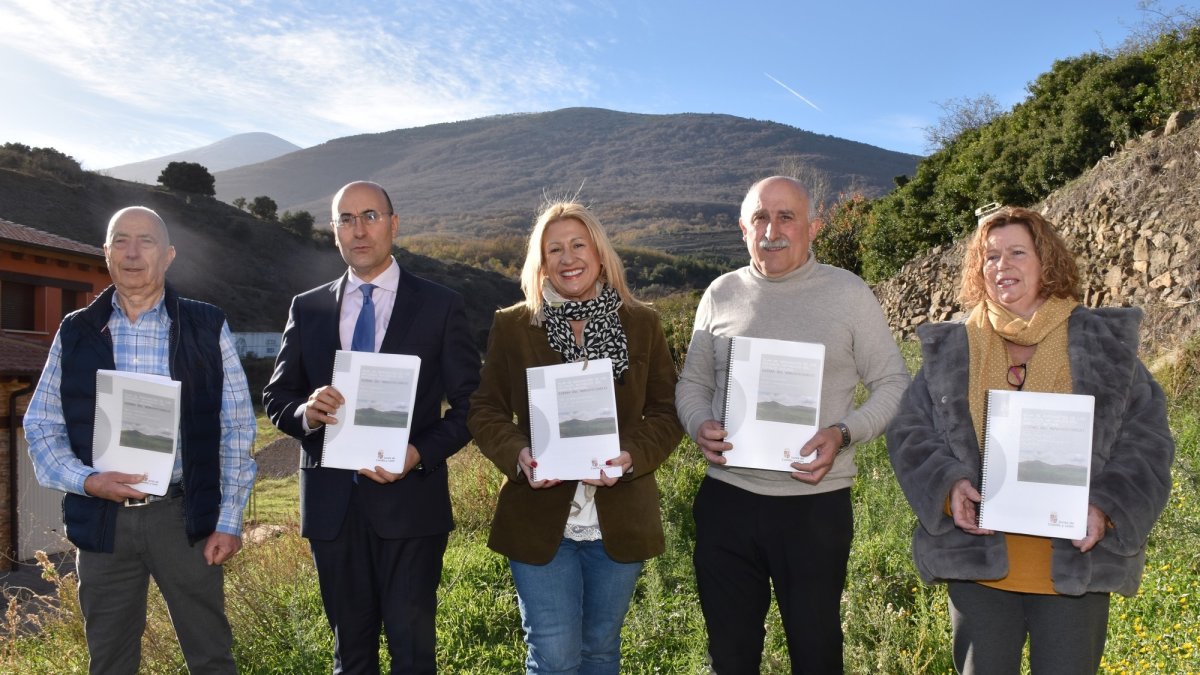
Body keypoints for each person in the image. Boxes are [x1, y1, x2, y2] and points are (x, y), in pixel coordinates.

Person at [886, 206, 1174, 674]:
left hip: (1072, 569)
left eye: (1017, 252)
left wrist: (1104, 507)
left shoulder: (1103, 344)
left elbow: (1148, 441)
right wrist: (949, 487)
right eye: (991, 256)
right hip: (979, 564)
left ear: (1046, 261)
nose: (1002, 266)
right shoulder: (954, 346)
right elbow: (909, 431)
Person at [675, 176, 910, 673]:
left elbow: (893, 382)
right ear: (744, 228)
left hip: (813, 510)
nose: (772, 230)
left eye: (787, 217)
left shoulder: (848, 294)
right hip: (728, 502)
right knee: (730, 656)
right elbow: (692, 384)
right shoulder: (721, 294)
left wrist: (844, 432)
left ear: (813, 227)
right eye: (760, 217)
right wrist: (698, 424)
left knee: (816, 652)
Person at [23, 206, 257, 674]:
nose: (133, 253)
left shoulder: (207, 326)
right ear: (106, 254)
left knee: (211, 656)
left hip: (184, 516)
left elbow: (236, 429)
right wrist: (87, 480)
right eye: (121, 241)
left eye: (146, 241)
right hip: (103, 521)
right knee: (109, 661)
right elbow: (41, 424)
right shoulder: (76, 331)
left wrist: (229, 521)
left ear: (168, 255)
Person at [263, 181, 479, 674]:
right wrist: (305, 412)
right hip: (332, 510)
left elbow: (472, 406)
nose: (358, 230)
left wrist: (418, 452)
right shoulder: (308, 306)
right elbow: (276, 397)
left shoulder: (441, 305)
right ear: (334, 231)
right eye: (346, 219)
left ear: (393, 224)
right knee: (350, 659)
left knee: (413, 657)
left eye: (370, 216)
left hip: (411, 507)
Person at [468, 201, 683, 674]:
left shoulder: (642, 322)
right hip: (539, 517)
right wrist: (519, 454)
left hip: (619, 519)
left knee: (601, 650)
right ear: (540, 262)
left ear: (600, 253)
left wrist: (632, 456)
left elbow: (667, 413)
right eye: (554, 249)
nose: (568, 258)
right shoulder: (515, 324)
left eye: (578, 245)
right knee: (554, 656)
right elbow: (485, 409)